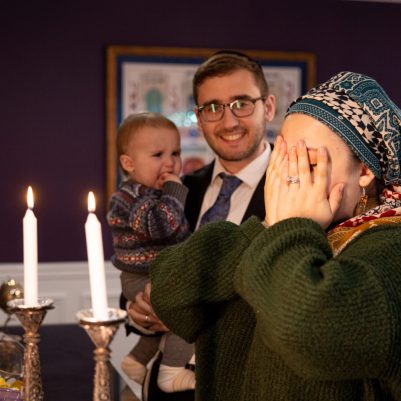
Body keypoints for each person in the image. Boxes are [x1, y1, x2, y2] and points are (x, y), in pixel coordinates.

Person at [149, 71, 401, 401]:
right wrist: (268, 225)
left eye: (305, 162)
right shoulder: (280, 229)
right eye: (283, 161)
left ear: (365, 170)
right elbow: (169, 295)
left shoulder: (389, 246)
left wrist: (290, 227)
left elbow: (304, 329)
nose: (288, 181)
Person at [127, 50, 276, 400]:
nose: (228, 122)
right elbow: (141, 262)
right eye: (212, 107)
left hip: (243, 386)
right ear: (198, 116)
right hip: (164, 386)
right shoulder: (178, 190)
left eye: (241, 103)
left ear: (268, 107)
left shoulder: (298, 194)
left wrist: (185, 313)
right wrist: (137, 309)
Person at [106, 112, 195, 393]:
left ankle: (136, 358)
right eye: (158, 154)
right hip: (139, 277)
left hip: (151, 274)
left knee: (167, 316)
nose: (170, 163)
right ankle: (171, 371)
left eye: (176, 153)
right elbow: (159, 226)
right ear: (128, 163)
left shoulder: (154, 195)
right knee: (186, 307)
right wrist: (175, 192)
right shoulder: (131, 197)